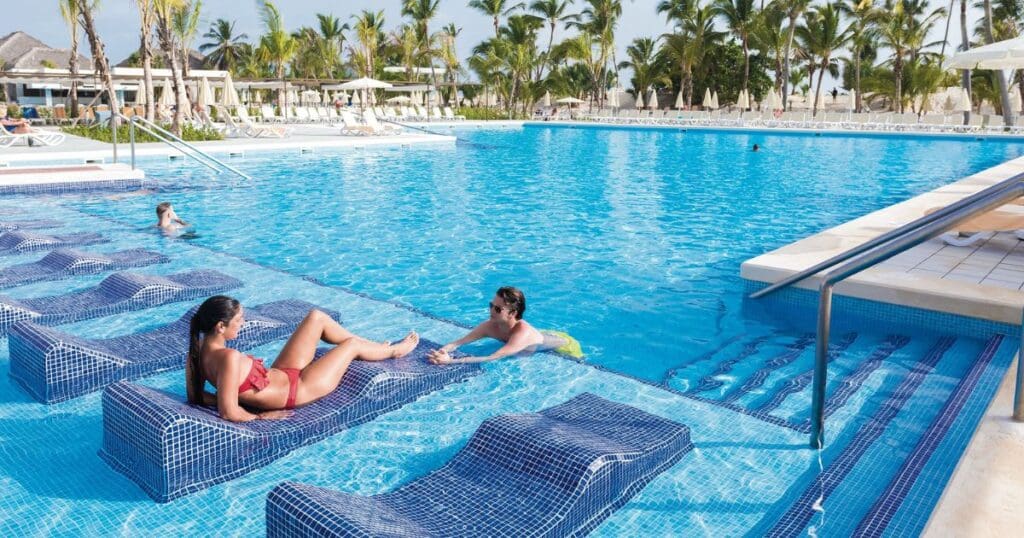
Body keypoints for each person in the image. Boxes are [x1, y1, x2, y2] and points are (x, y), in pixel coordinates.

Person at [186, 295, 419, 422]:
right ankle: (393, 351)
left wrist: (239, 397)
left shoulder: (195, 354)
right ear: (220, 326)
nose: (243, 323)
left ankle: (375, 346)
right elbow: (229, 412)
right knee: (352, 345)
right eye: (239, 320)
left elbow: (197, 397)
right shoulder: (228, 357)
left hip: (282, 373)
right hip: (300, 389)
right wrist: (259, 415)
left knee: (316, 318)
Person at [427, 286, 582, 365]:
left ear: (512, 313)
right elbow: (458, 342)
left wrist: (450, 362)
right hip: (537, 336)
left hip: (565, 345)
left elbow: (492, 358)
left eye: (498, 308)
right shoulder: (490, 325)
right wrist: (442, 351)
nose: (491, 310)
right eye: (491, 305)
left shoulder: (522, 334)